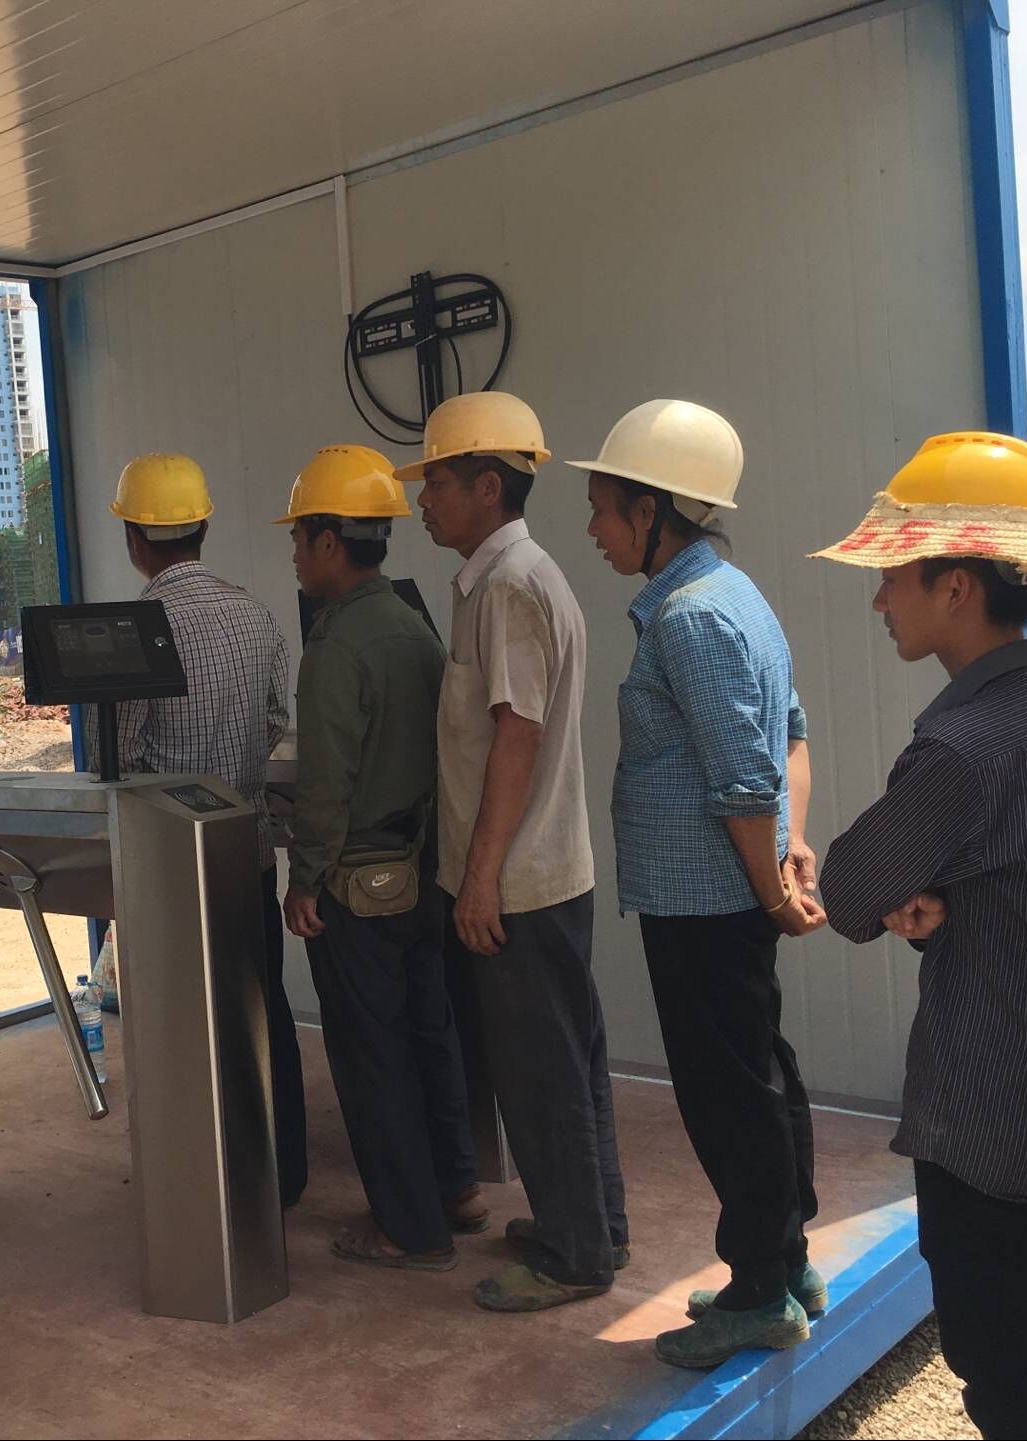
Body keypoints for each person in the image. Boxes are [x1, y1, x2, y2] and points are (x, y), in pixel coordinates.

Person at [811, 433, 1027, 1441]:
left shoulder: (962, 751)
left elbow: (850, 890)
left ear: (958, 586)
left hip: (987, 1112)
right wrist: (947, 905)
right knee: (1015, 1318)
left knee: (991, 1350)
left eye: (895, 575)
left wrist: (916, 895)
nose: (880, 599)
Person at [571, 399, 827, 1368]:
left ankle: (760, 1289)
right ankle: (785, 1265)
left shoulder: (691, 617)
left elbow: (745, 779)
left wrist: (774, 887)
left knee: (729, 1094)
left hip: (707, 904)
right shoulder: (733, 595)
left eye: (604, 508)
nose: (594, 528)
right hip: (728, 896)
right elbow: (790, 736)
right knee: (759, 1072)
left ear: (654, 510)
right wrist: (789, 851)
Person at [397, 392, 627, 1312]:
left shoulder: (506, 587)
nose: (423, 501)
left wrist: (480, 878)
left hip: (521, 881)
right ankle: (594, 1226)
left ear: (488, 487)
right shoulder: (512, 578)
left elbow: (516, 736)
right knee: (568, 1062)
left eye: (438, 483)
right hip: (540, 871)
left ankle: (573, 1253)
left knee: (541, 1075)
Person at [278, 443, 485, 1269]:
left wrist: (304, 880)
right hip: (421, 868)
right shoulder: (412, 627)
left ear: (331, 541)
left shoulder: (336, 647)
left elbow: (326, 783)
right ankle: (457, 1187)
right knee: (429, 1031)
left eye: (300, 538)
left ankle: (406, 1226)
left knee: (373, 1055)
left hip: (354, 885)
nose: (295, 555)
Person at [94, 452, 305, 1207]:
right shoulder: (257, 615)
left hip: (171, 868)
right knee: (262, 1007)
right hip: (246, 852)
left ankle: (204, 1185)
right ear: (204, 528)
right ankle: (281, 1173)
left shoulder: (138, 628)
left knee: (183, 1026)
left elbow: (121, 756)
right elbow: (276, 722)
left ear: (134, 540)